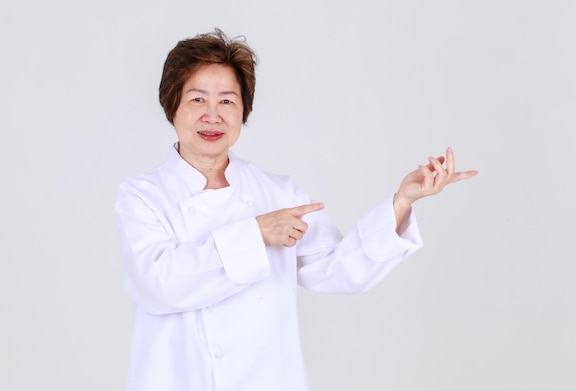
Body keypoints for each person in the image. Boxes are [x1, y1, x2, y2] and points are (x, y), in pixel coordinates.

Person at [115, 28, 478, 391]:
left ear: (244, 110)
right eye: (197, 100)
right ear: (171, 104)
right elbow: (157, 285)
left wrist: (402, 201)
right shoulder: (143, 196)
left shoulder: (278, 192)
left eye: (227, 101)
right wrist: (256, 233)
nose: (213, 116)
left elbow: (339, 270)